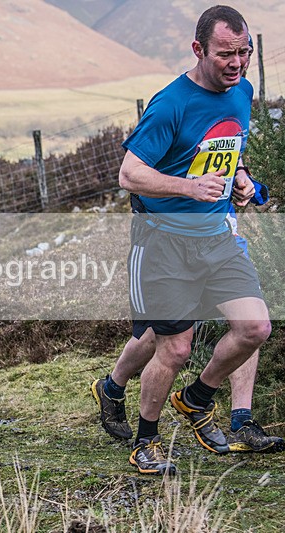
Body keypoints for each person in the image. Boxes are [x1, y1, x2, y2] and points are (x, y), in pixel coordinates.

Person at [115, 5, 271, 475]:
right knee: (175, 348)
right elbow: (129, 174)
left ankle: (197, 397)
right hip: (164, 241)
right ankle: (145, 441)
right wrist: (187, 187)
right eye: (226, 54)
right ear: (198, 49)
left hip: (216, 237)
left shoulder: (242, 91)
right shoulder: (171, 103)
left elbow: (226, 147)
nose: (237, 63)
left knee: (255, 328)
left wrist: (241, 178)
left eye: (244, 52)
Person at [92, 178, 284, 454]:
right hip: (175, 248)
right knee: (158, 336)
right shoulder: (164, 153)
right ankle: (112, 388)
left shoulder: (227, 148)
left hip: (225, 243)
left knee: (248, 326)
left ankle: (241, 420)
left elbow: (231, 171)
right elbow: (139, 178)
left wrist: (249, 184)